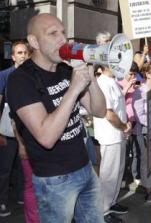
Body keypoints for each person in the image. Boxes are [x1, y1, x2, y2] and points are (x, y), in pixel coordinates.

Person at [6, 13, 106, 223]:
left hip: (85, 168)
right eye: (53, 33)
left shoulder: (64, 69)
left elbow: (99, 111)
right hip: (55, 180)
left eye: (63, 32)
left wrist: (90, 78)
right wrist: (73, 90)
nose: (62, 39)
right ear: (34, 42)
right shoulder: (20, 80)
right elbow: (46, 136)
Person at [93, 64, 131, 222]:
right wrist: (123, 126)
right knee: (108, 174)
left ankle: (111, 202)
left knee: (117, 172)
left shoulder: (112, 80)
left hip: (119, 134)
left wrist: (125, 127)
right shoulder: (102, 83)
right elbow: (108, 113)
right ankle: (102, 211)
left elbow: (119, 108)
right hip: (110, 136)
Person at [0, 41, 28, 218]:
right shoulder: (4, 75)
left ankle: (20, 195)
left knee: (21, 166)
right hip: (7, 130)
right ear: (13, 56)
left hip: (27, 130)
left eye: (25, 52)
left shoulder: (32, 75)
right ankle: (2, 201)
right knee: (5, 168)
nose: (23, 56)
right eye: (19, 53)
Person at [132, 62, 151, 202]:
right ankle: (148, 189)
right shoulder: (140, 92)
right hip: (144, 131)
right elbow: (139, 115)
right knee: (146, 161)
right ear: (148, 74)